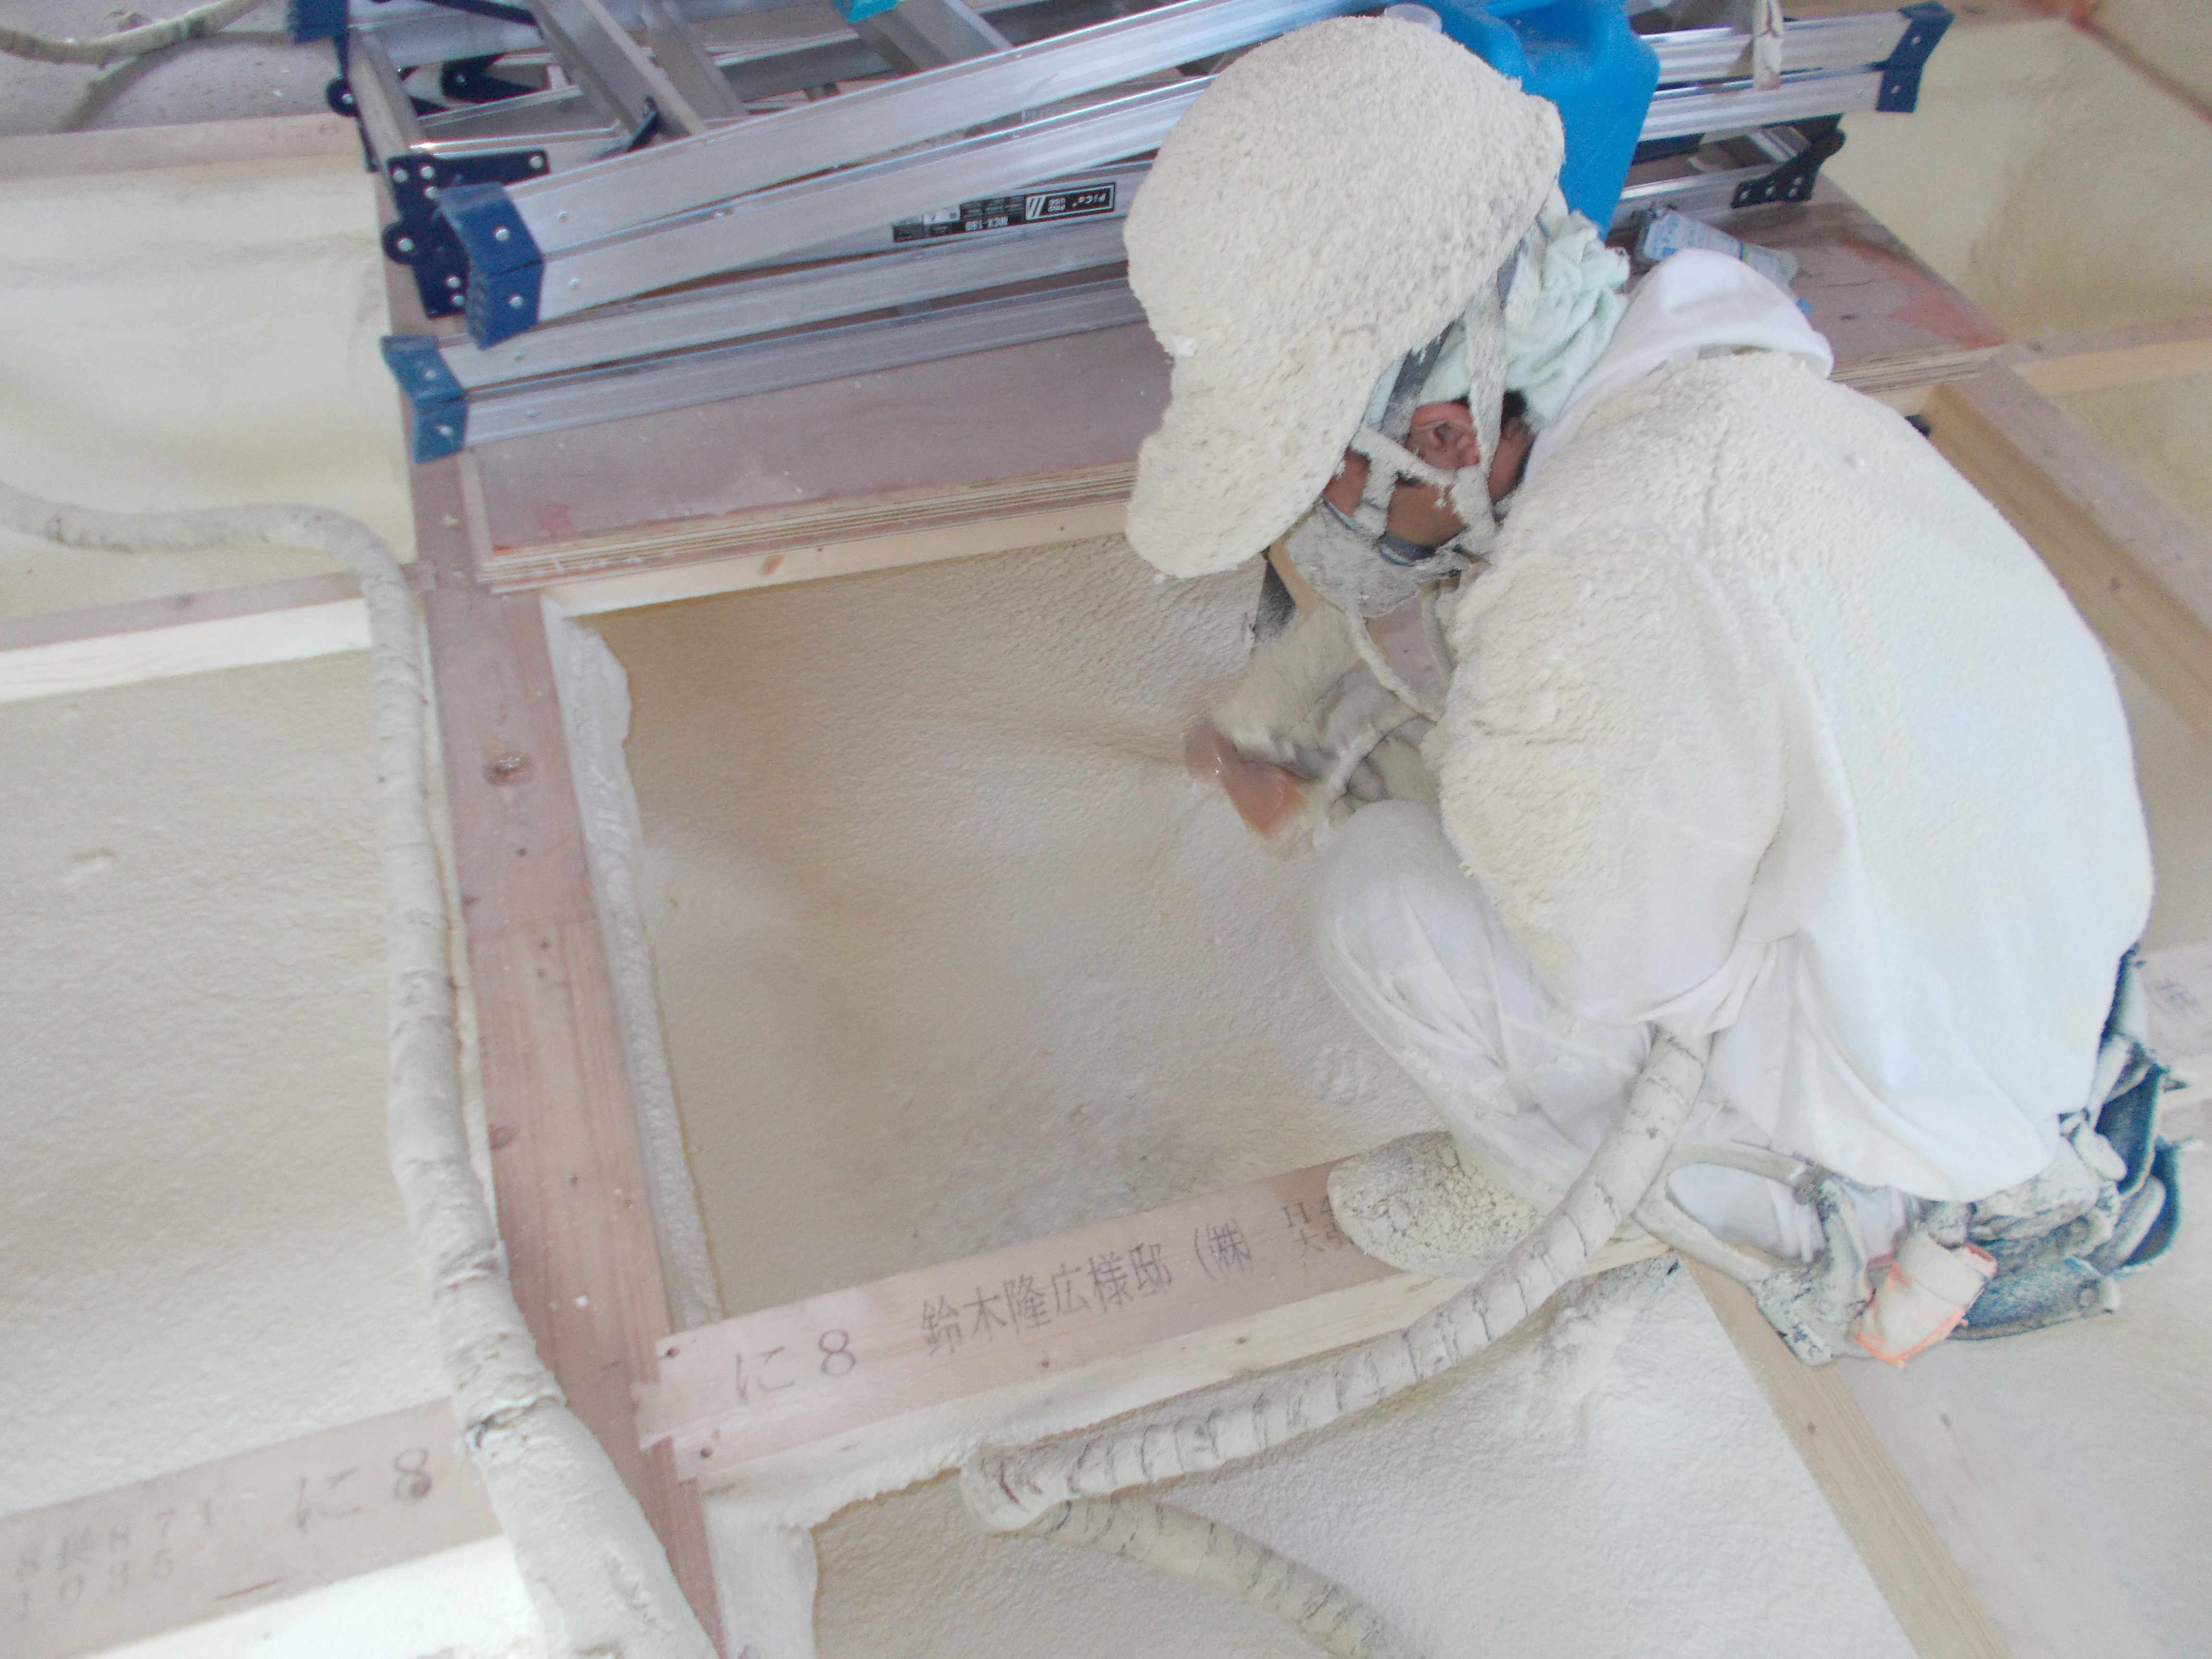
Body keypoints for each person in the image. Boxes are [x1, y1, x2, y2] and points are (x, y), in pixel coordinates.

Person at [1128, 18, 2176, 1362]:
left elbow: (1626, 972)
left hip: (1909, 1145)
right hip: (2038, 998)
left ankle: (1567, 1189)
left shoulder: (1591, 593)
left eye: (1323, 473)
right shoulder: (1750, 400)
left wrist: (1462, 772)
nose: (1329, 516)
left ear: (1444, 431)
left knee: (1385, 899)